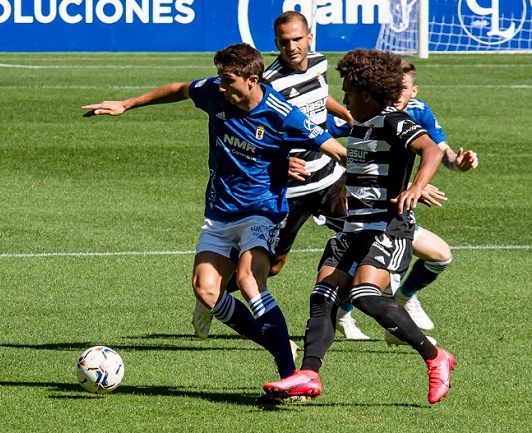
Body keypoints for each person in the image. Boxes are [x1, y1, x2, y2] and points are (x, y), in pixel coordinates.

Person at [82, 43, 347, 394]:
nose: (220, 86)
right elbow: (179, 89)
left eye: (227, 80)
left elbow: (337, 150)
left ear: (253, 80)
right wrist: (127, 104)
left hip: (262, 212)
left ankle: (289, 375)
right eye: (220, 78)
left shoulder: (284, 115)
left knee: (250, 283)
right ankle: (278, 343)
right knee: (206, 291)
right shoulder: (215, 93)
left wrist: (379, 185)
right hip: (219, 213)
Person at [263, 48, 456, 405]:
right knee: (322, 297)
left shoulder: (391, 120)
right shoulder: (359, 124)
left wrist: (415, 186)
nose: (343, 96)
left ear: (366, 92)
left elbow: (430, 150)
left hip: (388, 227)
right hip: (353, 227)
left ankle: (435, 356)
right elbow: (365, 168)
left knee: (365, 294)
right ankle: (307, 374)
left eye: (348, 89)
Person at [191, 10, 371, 342]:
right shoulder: (268, 82)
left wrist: (342, 110)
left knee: (364, 239)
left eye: (297, 39)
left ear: (309, 38)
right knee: (271, 266)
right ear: (276, 43)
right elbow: (257, 125)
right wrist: (283, 162)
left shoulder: (319, 63)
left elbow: (318, 94)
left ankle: (345, 314)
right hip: (290, 187)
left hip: (328, 178)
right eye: (284, 42)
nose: (292, 47)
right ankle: (214, 298)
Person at [327, 59, 479, 343]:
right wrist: (343, 181)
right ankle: (359, 317)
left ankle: (402, 301)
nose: (397, 94)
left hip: (394, 209)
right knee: (369, 274)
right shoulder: (366, 112)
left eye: (403, 88)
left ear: (414, 90)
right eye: (392, 88)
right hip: (370, 209)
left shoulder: (417, 113)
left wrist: (458, 164)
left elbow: (439, 152)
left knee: (440, 256)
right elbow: (358, 153)